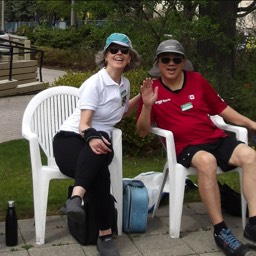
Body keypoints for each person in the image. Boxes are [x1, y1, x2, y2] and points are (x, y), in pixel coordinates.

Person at [136, 39, 256, 256]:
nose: (171, 63)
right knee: (207, 161)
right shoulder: (151, 89)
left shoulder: (197, 80)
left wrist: (250, 123)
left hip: (215, 137)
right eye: (166, 59)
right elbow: (143, 131)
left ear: (183, 61)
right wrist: (147, 106)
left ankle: (253, 224)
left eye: (176, 59)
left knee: (250, 155)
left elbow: (221, 108)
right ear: (158, 63)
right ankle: (221, 231)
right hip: (186, 146)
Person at [53, 33, 140, 256]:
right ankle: (105, 235)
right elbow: (84, 124)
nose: (119, 53)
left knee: (100, 155)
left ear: (130, 58)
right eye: (114, 50)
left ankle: (75, 200)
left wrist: (143, 98)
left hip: (96, 142)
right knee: (100, 165)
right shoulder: (95, 83)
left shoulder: (124, 84)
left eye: (124, 50)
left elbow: (119, 114)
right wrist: (91, 136)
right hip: (70, 140)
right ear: (105, 56)